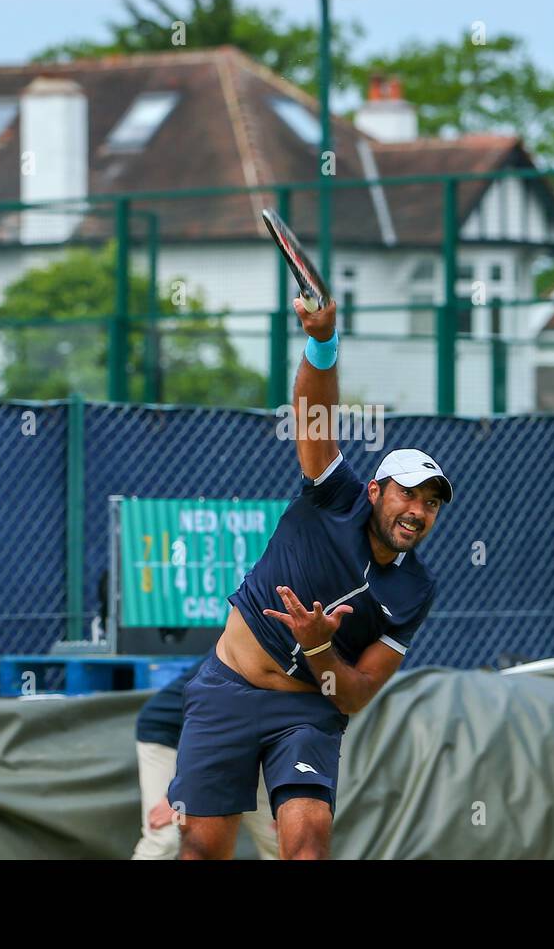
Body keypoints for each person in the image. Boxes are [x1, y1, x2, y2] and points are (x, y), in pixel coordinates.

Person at [167, 294, 453, 859]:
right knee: (201, 848)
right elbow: (312, 415)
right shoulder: (334, 495)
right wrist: (323, 341)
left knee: (308, 845)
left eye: (432, 503)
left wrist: (320, 648)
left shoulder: (415, 590)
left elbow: (357, 694)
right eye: (408, 494)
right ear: (375, 491)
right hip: (229, 685)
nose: (418, 511)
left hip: (305, 711)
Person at [131, 657, 279, 859]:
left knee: (281, 837)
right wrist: (180, 794)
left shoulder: (320, 651)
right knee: (165, 838)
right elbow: (219, 723)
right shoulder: (249, 646)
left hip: (248, 746)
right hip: (174, 736)